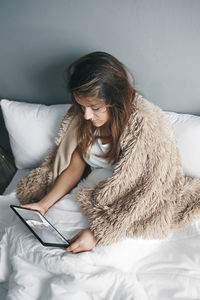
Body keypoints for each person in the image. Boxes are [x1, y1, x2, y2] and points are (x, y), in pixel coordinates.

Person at [17, 51, 200, 254]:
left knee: (93, 259)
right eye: (81, 106)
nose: (86, 115)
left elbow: (148, 190)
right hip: (89, 194)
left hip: (125, 207)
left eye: (94, 107)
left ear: (116, 100)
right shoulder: (82, 119)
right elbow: (74, 167)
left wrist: (98, 232)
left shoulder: (146, 126)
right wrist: (43, 204)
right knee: (41, 244)